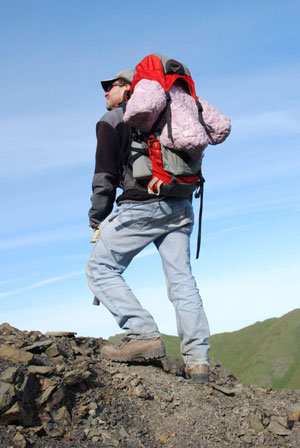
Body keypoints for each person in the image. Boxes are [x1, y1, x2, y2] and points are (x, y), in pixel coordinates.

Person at [86, 68, 210, 383]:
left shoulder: (112, 120)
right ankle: (198, 362)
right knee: (182, 282)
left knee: (100, 268)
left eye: (110, 86)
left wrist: (97, 220)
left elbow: (105, 178)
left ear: (128, 87)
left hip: (142, 206)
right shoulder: (165, 115)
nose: (105, 94)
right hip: (180, 205)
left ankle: (142, 334)